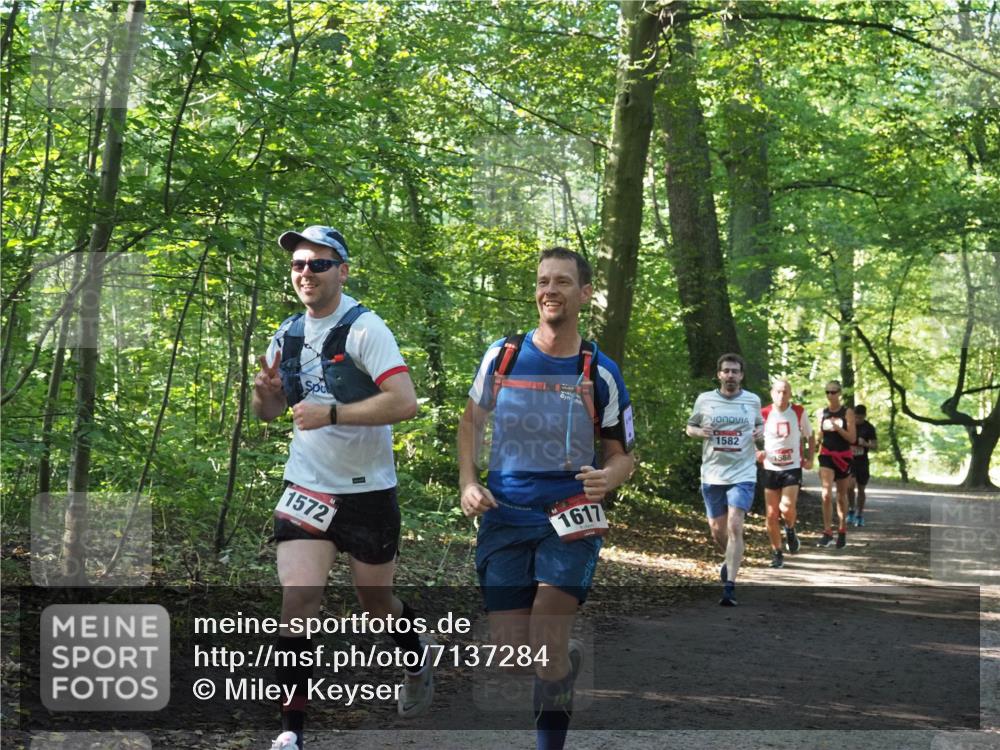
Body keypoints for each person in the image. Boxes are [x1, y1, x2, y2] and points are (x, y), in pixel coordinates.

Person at [252, 225, 427, 750]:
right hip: (307, 486)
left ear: (342, 271)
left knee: (375, 601)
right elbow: (270, 413)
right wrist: (266, 394)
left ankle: (414, 659)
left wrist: (334, 411)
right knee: (297, 601)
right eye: (299, 264)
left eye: (319, 264)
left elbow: (404, 402)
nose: (306, 272)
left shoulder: (366, 330)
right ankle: (291, 733)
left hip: (368, 490)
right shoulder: (283, 335)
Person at [457, 247, 635, 750]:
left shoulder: (599, 371)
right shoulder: (503, 356)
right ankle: (560, 664)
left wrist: (609, 477)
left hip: (571, 515)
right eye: (542, 282)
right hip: (505, 514)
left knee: (548, 638)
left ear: (585, 293)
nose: (549, 290)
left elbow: (622, 454)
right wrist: (469, 483)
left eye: (561, 282)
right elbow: (470, 423)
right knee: (516, 653)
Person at [686, 353, 763, 606]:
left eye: (735, 371)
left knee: (735, 526)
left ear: (741, 375)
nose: (730, 375)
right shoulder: (705, 400)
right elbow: (690, 427)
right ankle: (731, 558)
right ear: (719, 374)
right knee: (717, 531)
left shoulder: (752, 401)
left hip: (743, 472)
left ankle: (729, 586)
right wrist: (700, 432)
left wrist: (759, 432)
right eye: (726, 371)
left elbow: (760, 426)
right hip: (712, 473)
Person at [758, 379, 815, 569]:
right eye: (778, 391)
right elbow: (751, 437)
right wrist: (756, 453)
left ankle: (790, 529)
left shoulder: (798, 412)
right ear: (772, 393)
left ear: (790, 394)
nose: (782, 395)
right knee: (772, 514)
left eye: (785, 392)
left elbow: (810, 435)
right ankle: (777, 553)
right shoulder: (764, 414)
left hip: (792, 466)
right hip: (770, 468)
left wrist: (810, 457)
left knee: (786, 507)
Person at [814, 381, 856, 549]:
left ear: (840, 393)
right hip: (826, 455)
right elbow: (818, 436)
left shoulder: (847, 412)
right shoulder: (821, 413)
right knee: (825, 494)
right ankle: (827, 532)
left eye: (833, 392)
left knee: (841, 495)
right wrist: (811, 448)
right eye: (827, 392)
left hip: (843, 456)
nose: (830, 395)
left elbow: (852, 439)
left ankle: (842, 529)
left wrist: (838, 428)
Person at [847, 404, 878, 526]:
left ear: (864, 416)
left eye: (860, 417)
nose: (857, 420)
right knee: (850, 486)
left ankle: (859, 515)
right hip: (849, 460)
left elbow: (875, 445)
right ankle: (850, 511)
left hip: (862, 461)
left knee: (861, 489)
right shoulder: (848, 426)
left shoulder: (869, 427)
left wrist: (865, 443)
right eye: (855, 417)